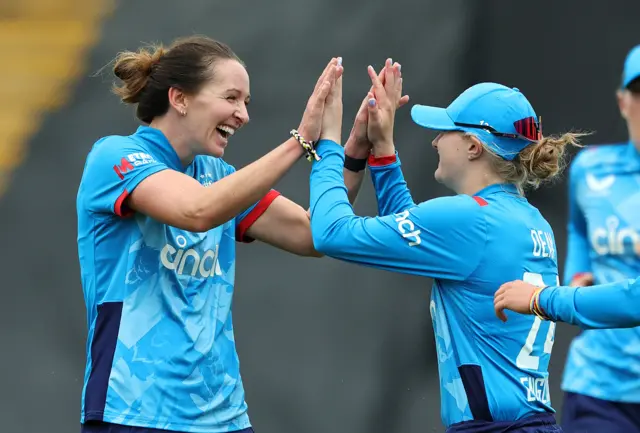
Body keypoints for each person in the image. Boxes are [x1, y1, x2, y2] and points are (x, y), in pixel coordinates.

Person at [76, 35, 381, 433]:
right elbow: (197, 210)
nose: (243, 115)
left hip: (224, 419)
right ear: (180, 99)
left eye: (246, 103)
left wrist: (352, 149)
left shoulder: (217, 177)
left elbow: (313, 234)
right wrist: (299, 142)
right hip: (133, 414)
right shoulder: (114, 157)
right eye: (232, 98)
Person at [308, 61, 582, 432]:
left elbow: (331, 233)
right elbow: (412, 237)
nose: (435, 140)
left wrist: (327, 146)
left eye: (445, 131)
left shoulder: (472, 219)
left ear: (473, 147)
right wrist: (383, 148)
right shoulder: (529, 220)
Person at [543, 43, 640, 433]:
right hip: (599, 384)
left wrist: (548, 300)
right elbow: (578, 228)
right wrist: (577, 271)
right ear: (622, 101)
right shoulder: (591, 170)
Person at [493, 276, 640, 329]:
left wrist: (539, 298)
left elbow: (634, 301)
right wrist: (576, 272)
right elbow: (578, 229)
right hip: (594, 370)